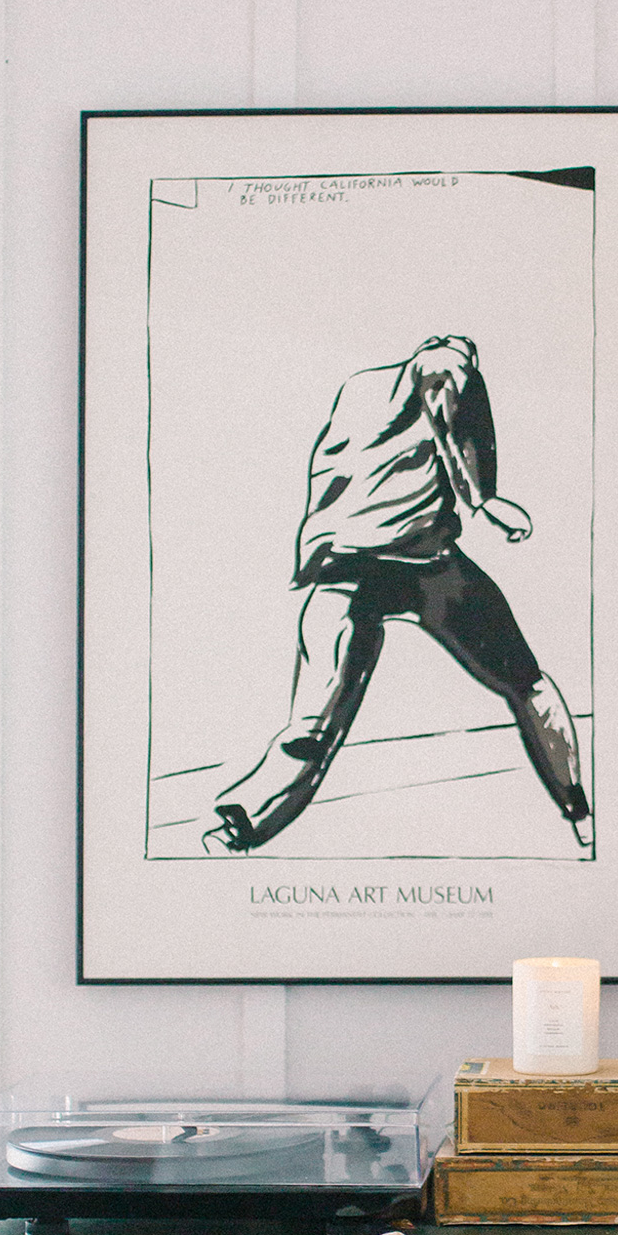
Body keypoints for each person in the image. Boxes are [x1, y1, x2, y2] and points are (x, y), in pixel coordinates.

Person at [206, 334, 592, 853]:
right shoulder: (445, 361)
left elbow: (333, 469)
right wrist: (483, 500)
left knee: (314, 725)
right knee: (527, 683)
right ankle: (579, 810)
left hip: (348, 563)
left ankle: (243, 825)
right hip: (423, 564)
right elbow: (445, 393)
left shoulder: (359, 390)